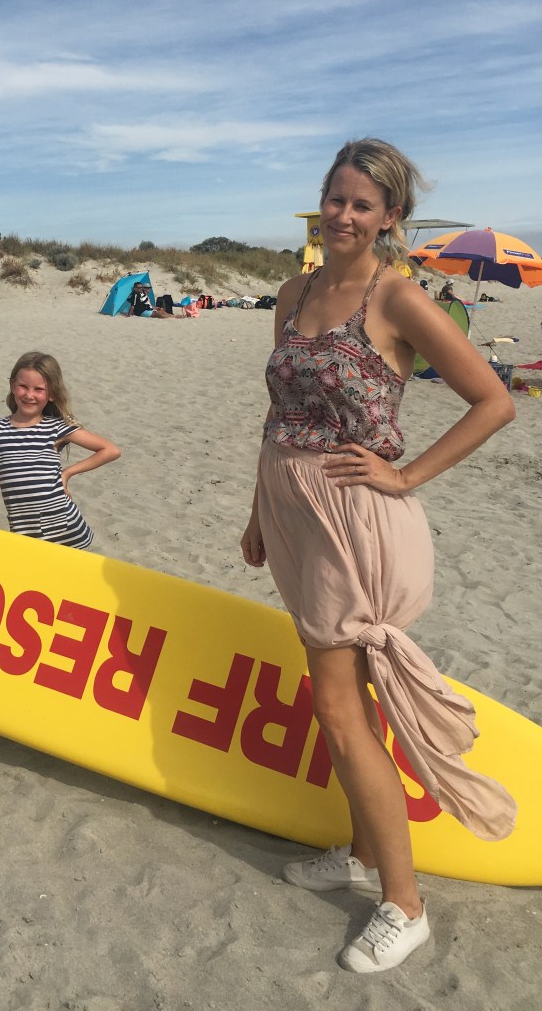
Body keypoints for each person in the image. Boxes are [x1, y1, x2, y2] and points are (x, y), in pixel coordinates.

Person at [240, 139, 516, 974]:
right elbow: (277, 412)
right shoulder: (293, 293)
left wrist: (405, 474)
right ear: (319, 204)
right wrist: (258, 513)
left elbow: (494, 401)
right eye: (336, 199)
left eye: (364, 204)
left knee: (339, 710)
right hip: (292, 513)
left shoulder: (397, 300)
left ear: (390, 216)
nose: (346, 215)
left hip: (356, 519)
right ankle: (363, 855)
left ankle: (404, 903)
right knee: (348, 704)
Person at [0, 351, 121, 548]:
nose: (29, 395)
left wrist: (67, 473)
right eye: (23, 386)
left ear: (51, 394)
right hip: (25, 532)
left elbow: (110, 450)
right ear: (12, 386)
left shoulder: (56, 428)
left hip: (67, 531)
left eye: (39, 389)